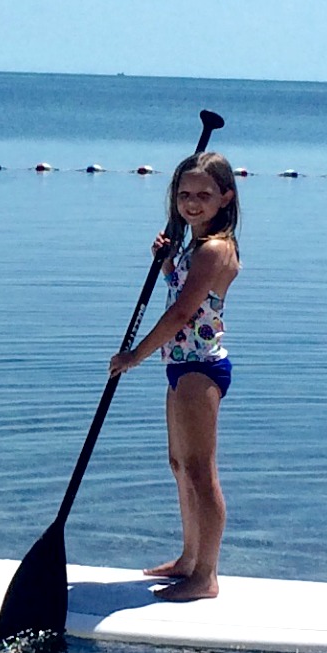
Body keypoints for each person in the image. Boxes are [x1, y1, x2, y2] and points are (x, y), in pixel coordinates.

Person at [108, 151, 241, 600]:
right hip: (180, 366)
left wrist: (135, 355)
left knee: (202, 471)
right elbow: (179, 289)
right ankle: (187, 559)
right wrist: (165, 261)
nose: (192, 203)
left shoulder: (216, 249)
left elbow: (184, 312)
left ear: (225, 197)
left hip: (200, 367)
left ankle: (206, 576)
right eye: (184, 194)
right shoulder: (194, 248)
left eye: (204, 195)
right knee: (179, 463)